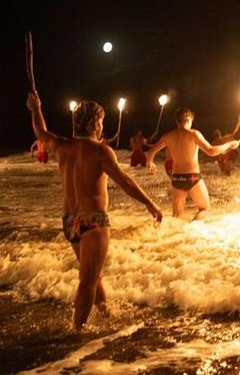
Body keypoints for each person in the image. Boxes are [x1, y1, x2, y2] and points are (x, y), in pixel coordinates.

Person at [26, 92, 163, 330]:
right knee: (87, 281)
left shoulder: (62, 146)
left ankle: (105, 312)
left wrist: (36, 108)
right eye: (100, 122)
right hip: (93, 220)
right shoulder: (99, 151)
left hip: (70, 223)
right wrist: (150, 203)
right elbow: (125, 181)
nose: (102, 127)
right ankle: (76, 333)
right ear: (94, 124)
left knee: (93, 275)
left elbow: (41, 133)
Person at [146, 108, 240, 220]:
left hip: (177, 179)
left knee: (176, 217)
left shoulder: (168, 136)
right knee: (204, 209)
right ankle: (192, 228)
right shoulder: (194, 134)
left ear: (177, 121)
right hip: (193, 177)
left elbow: (151, 152)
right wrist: (229, 144)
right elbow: (211, 151)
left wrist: (150, 163)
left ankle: (176, 235)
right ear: (189, 120)